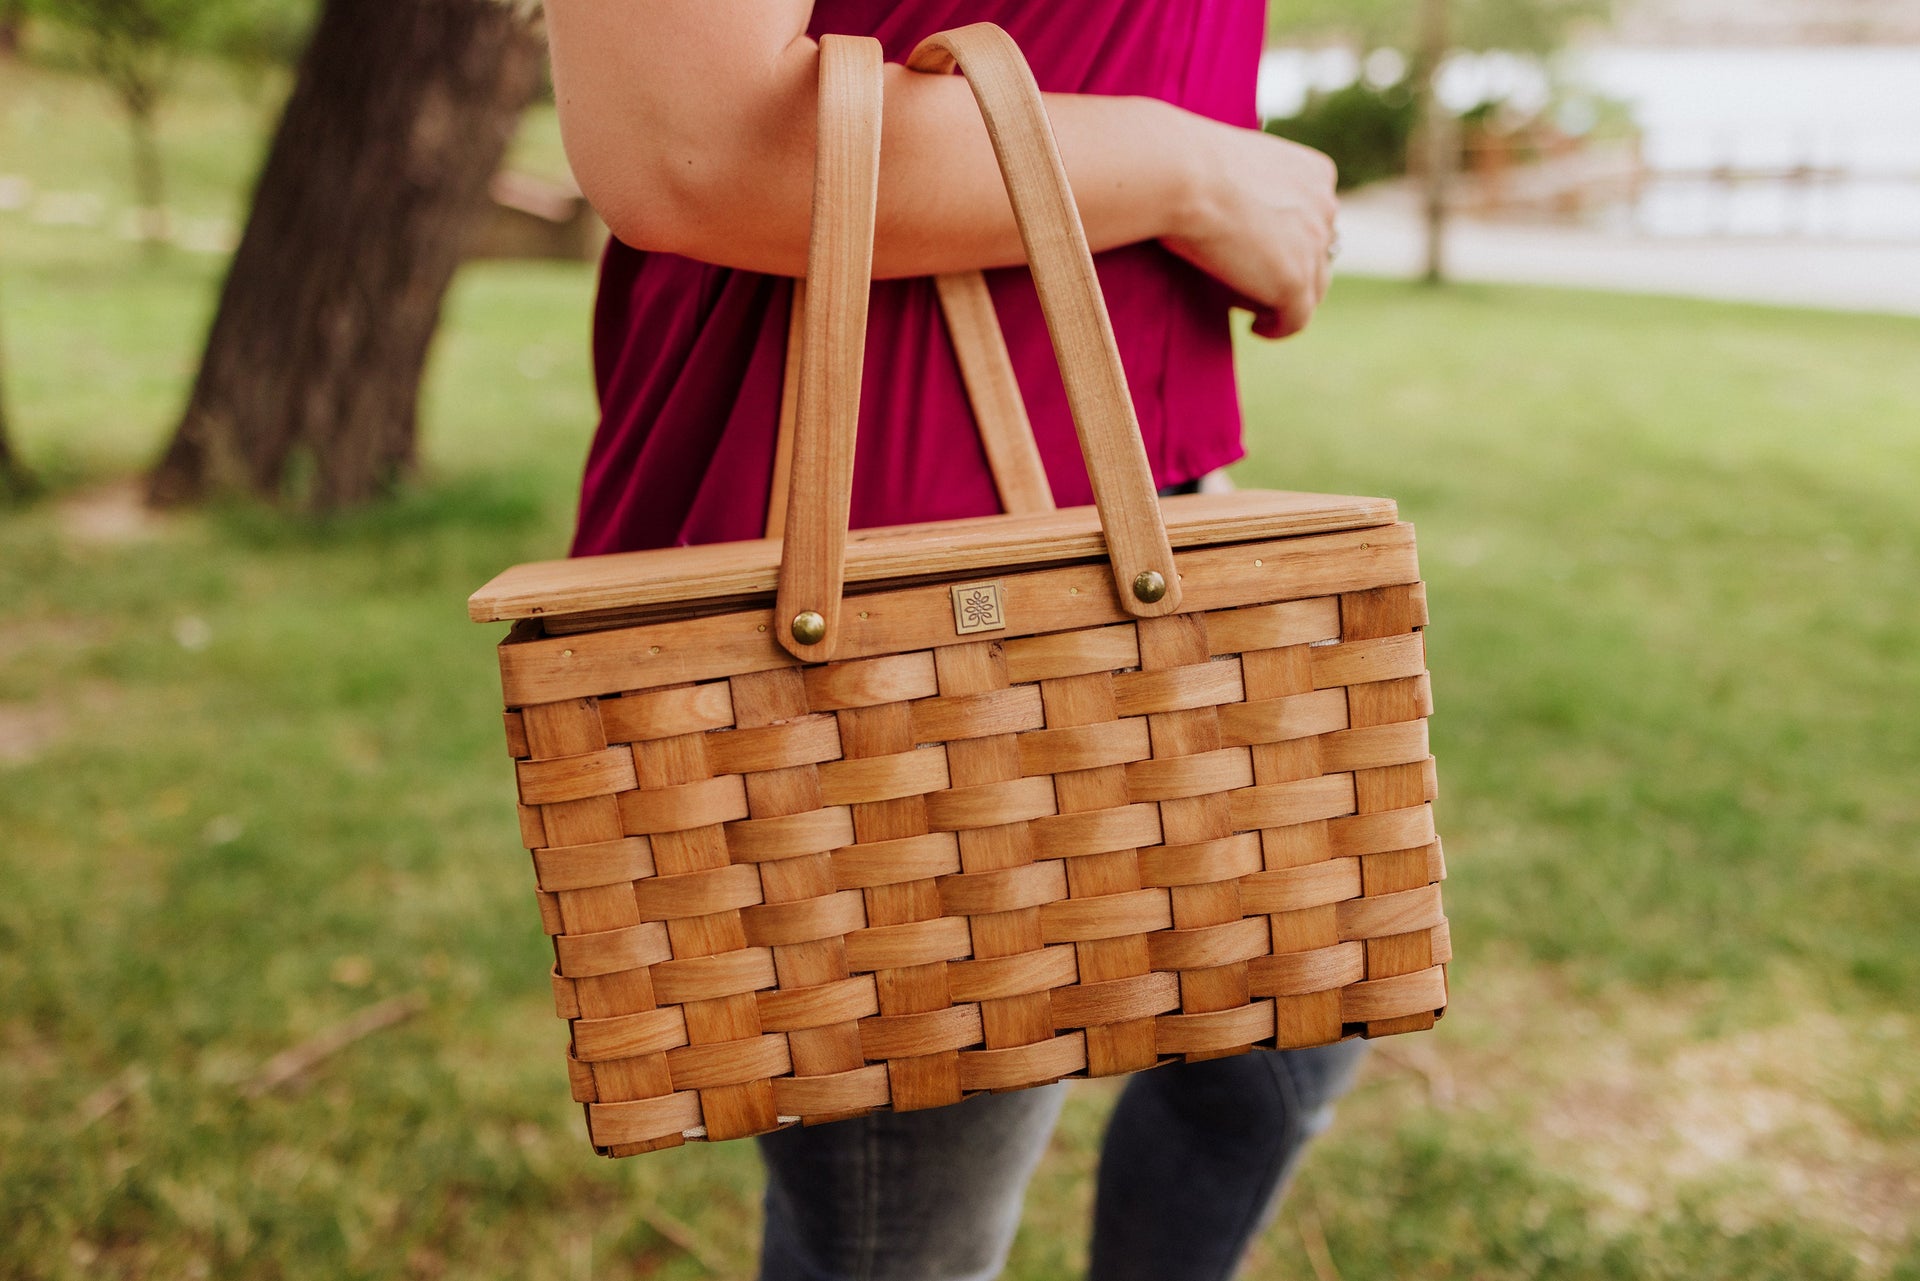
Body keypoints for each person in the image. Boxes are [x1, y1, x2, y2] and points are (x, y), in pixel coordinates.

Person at [544, 2, 1363, 1278]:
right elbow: (684, 144)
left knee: (1299, 1019)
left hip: (1140, 480)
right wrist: (1193, 168)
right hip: (887, 554)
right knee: (908, 1238)